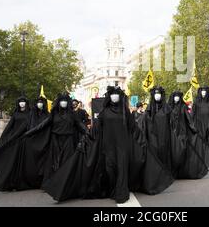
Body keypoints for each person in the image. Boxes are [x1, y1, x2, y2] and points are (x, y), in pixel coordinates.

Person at [42, 86, 174, 204]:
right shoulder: (104, 112)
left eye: (117, 94)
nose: (114, 96)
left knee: (122, 167)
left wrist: (142, 141)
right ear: (109, 97)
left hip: (123, 146)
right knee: (110, 168)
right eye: (112, 94)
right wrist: (85, 139)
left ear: (120, 97)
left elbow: (133, 128)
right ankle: (111, 188)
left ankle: (121, 192)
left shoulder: (125, 111)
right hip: (107, 146)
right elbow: (96, 128)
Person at [168, 91, 208, 179]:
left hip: (182, 133)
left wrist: (194, 129)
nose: (176, 98)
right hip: (172, 134)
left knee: (182, 152)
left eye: (178, 96)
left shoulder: (183, 107)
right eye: (175, 96)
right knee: (174, 153)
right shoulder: (169, 107)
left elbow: (189, 119)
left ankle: (183, 172)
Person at [145, 86, 173, 172]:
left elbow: (171, 121)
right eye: (156, 94)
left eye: (159, 94)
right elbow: (145, 120)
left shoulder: (166, 107)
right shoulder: (150, 107)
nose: (157, 95)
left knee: (164, 151)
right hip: (153, 135)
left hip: (165, 135)